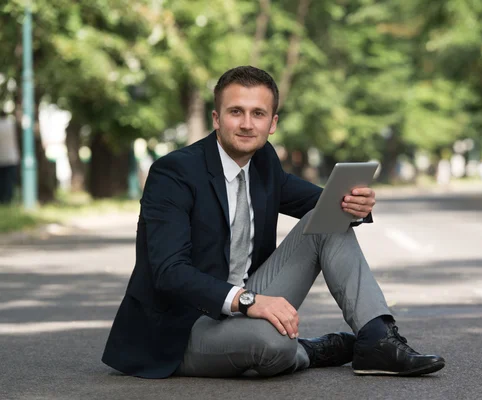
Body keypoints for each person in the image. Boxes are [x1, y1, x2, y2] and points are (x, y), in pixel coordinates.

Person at [102, 66, 445, 379]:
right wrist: (249, 302)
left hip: (245, 302)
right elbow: (168, 272)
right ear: (216, 118)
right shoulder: (173, 173)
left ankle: (376, 340)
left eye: (258, 114)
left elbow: (324, 205)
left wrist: (355, 205)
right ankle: (308, 350)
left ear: (273, 123)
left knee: (325, 222)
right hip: (181, 329)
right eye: (236, 112)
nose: (247, 123)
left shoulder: (263, 161)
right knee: (274, 345)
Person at [0, 111, 20, 204]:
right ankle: (7, 200)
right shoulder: (10, 124)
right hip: (11, 158)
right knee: (9, 181)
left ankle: (2, 199)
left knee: (2, 181)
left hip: (2, 157)